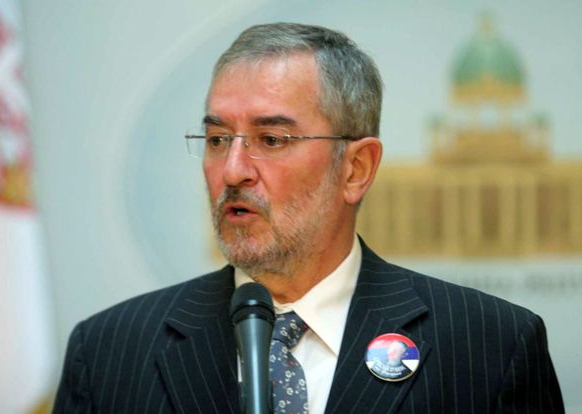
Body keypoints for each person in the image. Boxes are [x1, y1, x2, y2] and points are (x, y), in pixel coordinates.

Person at [53, 23, 564, 413]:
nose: (232, 170)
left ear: (356, 169)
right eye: (217, 139)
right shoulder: (108, 352)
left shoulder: (491, 347)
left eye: (271, 139)